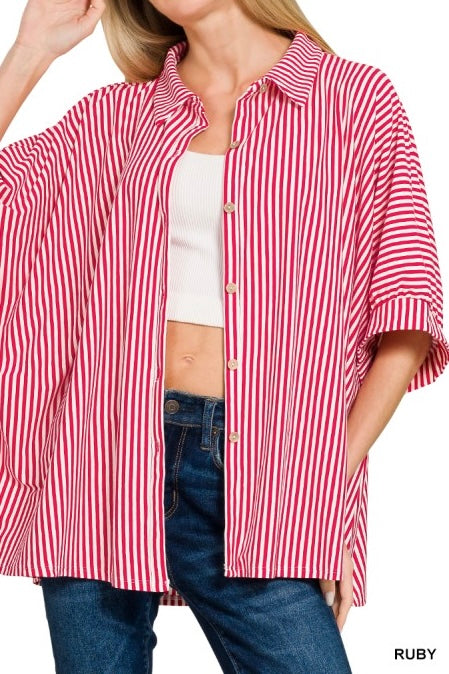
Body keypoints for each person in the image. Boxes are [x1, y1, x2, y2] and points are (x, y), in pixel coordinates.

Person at [1, 1, 448, 672]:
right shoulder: (117, 118)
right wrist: (31, 50)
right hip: (99, 455)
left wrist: (323, 487)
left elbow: (406, 313)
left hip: (264, 464)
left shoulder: (354, 99)